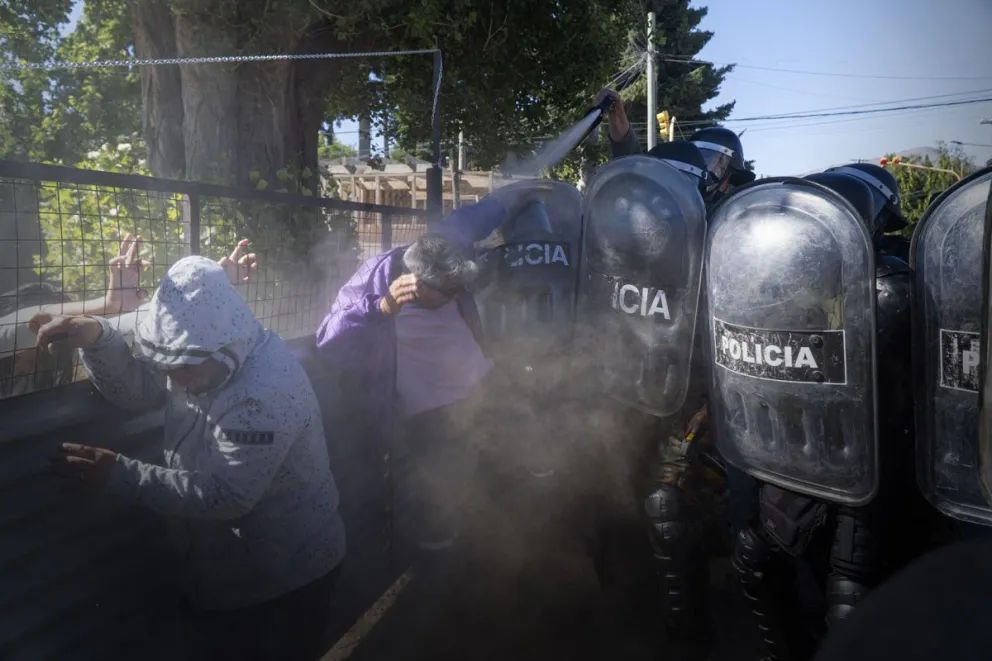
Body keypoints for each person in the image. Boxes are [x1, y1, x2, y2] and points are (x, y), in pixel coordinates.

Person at [39, 255, 341, 661]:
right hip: (229, 569)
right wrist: (97, 337)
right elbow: (142, 392)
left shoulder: (264, 393)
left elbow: (227, 496)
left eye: (183, 369)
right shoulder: (201, 356)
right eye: (167, 366)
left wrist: (119, 474)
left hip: (285, 579)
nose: (174, 380)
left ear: (227, 345)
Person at [729, 172, 917, 661]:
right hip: (795, 455)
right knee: (754, 557)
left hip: (871, 472)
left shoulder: (890, 290)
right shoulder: (776, 289)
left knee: (851, 596)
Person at [316, 195, 537, 554]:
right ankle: (436, 554)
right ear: (418, 284)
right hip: (430, 410)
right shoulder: (378, 280)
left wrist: (515, 198)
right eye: (450, 290)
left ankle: (517, 516)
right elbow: (329, 341)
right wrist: (381, 307)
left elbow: (473, 217)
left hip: (479, 382)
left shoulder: (443, 248)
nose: (458, 293)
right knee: (436, 490)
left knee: (518, 442)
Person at [0, 235, 257, 398]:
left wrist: (210, 297)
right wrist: (108, 304)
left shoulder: (58, 360)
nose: (46, 339)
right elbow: (21, 327)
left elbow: (121, 330)